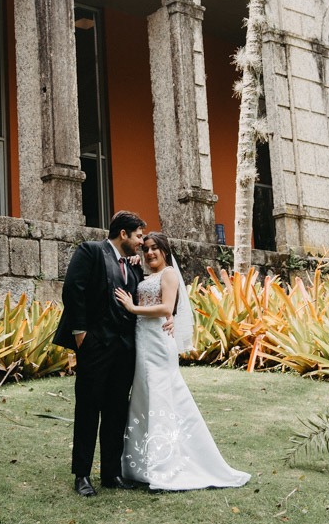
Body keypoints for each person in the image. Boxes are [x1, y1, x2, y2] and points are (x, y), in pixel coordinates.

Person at [114, 232, 251, 491]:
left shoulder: (169, 274)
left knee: (161, 396)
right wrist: (133, 260)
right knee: (144, 397)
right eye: (146, 249)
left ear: (166, 251)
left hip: (158, 344)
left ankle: (163, 464)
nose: (150, 253)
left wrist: (133, 309)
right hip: (143, 341)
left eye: (155, 248)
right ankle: (139, 464)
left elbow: (166, 308)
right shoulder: (148, 275)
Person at [52, 210, 147, 497]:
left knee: (117, 412)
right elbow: (73, 289)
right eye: (139, 236)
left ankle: (111, 474)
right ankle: (81, 475)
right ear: (123, 234)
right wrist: (80, 334)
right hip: (94, 347)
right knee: (88, 410)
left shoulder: (132, 266)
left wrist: (137, 265)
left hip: (124, 351)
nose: (142, 242)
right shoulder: (91, 251)